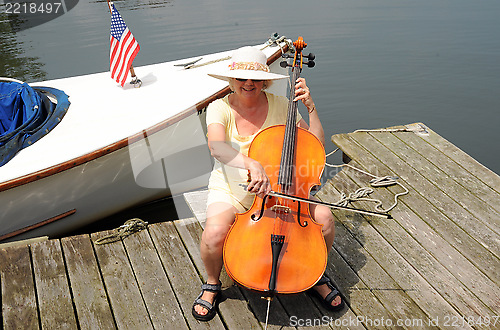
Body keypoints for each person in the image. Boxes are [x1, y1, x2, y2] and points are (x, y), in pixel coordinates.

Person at [192, 46, 344, 321]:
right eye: (242, 78)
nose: (248, 83)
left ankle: (316, 275)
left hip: (282, 193)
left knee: (325, 219)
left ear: (264, 81)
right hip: (232, 190)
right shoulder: (220, 108)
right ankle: (212, 283)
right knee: (214, 234)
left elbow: (315, 145)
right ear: (231, 80)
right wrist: (251, 163)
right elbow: (217, 147)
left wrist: (311, 108)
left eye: (255, 79)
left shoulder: (283, 107)